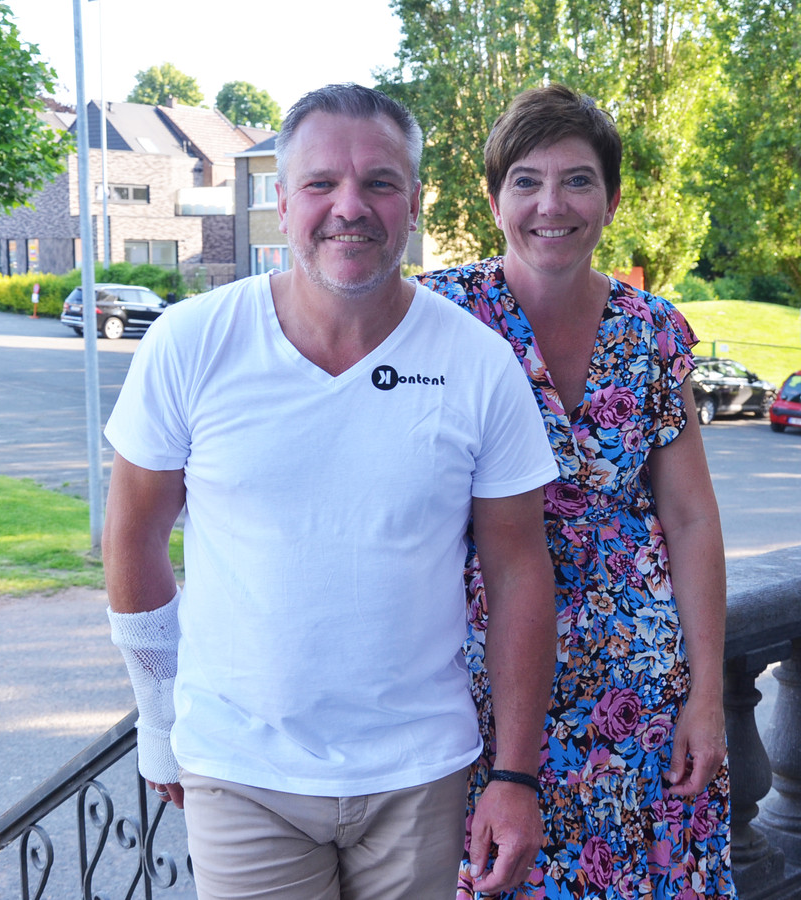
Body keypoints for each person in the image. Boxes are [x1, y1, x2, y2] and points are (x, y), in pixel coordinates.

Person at [101, 84, 560, 900]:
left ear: (416, 202)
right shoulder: (191, 343)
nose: (350, 207)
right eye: (321, 184)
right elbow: (134, 536)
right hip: (241, 772)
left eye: (380, 182)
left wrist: (516, 776)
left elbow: (521, 572)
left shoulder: (480, 363)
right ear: (282, 201)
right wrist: (159, 717)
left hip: (419, 772)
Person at [418, 84, 737, 899]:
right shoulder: (438, 317)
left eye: (577, 180)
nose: (549, 204)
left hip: (638, 696)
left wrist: (706, 695)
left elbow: (692, 517)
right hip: (481, 687)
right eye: (525, 181)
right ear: (493, 201)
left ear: (612, 198)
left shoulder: (650, 329)